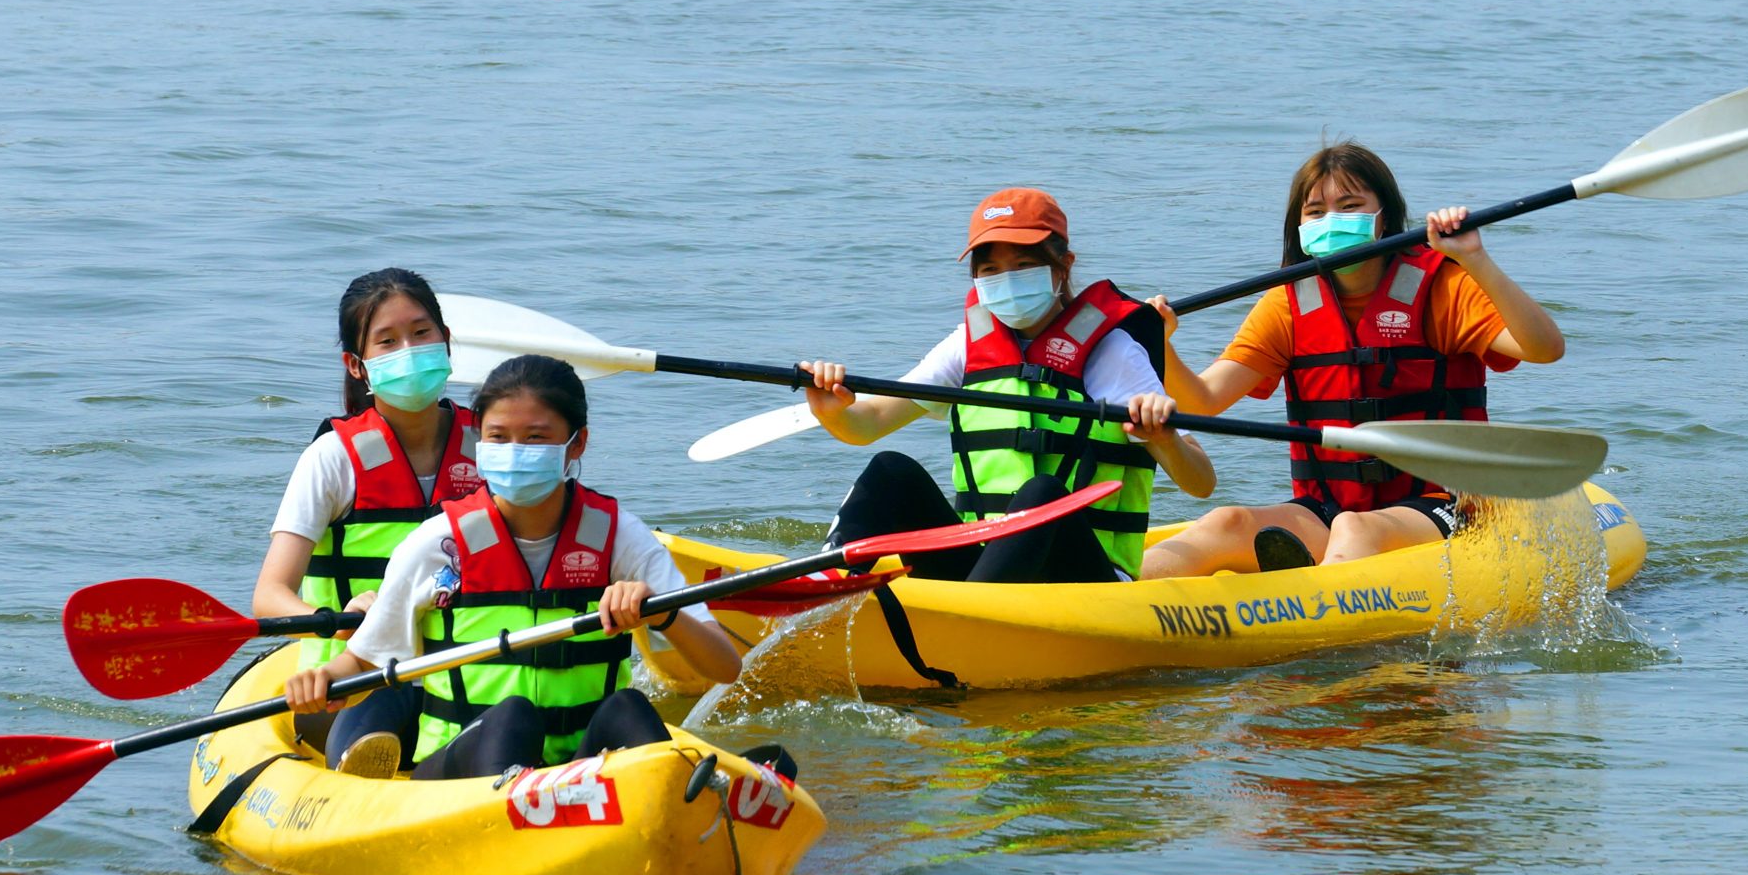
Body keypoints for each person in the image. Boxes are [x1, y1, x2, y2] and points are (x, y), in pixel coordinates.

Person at [281, 354, 744, 780]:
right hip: (459, 773)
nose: (516, 450)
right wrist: (323, 680)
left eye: (537, 438)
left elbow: (724, 667)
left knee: (630, 706)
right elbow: (364, 658)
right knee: (512, 715)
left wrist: (662, 613)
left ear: (576, 443)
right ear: (480, 440)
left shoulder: (619, 535)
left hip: (578, 771)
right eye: (499, 437)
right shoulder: (435, 545)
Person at [1138, 142, 1565, 577]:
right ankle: (1108, 588)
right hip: (1327, 508)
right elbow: (1203, 401)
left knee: (1357, 530)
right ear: (1298, 225)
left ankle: (1309, 618)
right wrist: (1163, 344)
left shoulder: (1442, 285)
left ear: (1385, 218)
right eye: (1316, 212)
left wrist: (1474, 258)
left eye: (1350, 205)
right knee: (1225, 522)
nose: (1331, 221)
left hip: (1448, 506)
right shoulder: (1289, 304)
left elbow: (1544, 348)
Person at [800, 187, 1215, 584]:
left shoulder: (1114, 353)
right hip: (982, 563)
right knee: (890, 471)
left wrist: (1164, 439)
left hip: (1086, 577)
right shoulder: (967, 346)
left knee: (1043, 493)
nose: (1007, 281)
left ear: (1064, 265)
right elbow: (867, 424)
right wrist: (831, 410)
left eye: (1022, 267)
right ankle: (825, 582)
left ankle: (969, 620)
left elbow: (1201, 482)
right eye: (991, 271)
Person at [253, 269, 486, 675]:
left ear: (445, 341)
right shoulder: (333, 457)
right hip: (350, 681)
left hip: (462, 679)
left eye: (421, 333)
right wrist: (334, 621)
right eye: (388, 342)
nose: (409, 351)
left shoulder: (493, 447)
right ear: (356, 365)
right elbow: (270, 596)